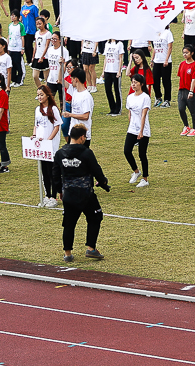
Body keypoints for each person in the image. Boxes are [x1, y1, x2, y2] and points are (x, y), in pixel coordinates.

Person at [53, 125, 111, 262]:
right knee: (95, 218)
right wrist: (103, 183)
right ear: (81, 137)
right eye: (85, 136)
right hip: (86, 194)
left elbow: (55, 174)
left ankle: (67, 253)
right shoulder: (86, 153)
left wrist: (59, 191)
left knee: (68, 223)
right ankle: (91, 248)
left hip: (68, 194)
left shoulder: (60, 153)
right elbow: (97, 170)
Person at [34, 85, 63, 208]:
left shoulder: (53, 109)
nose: (40, 97)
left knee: (52, 172)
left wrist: (49, 139)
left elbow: (57, 126)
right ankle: (47, 195)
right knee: (44, 171)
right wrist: (34, 136)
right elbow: (36, 125)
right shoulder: (37, 110)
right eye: (38, 95)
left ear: (47, 95)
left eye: (42, 95)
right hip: (40, 146)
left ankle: (53, 196)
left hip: (50, 147)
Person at [123, 73, 151, 188]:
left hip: (143, 130)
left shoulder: (145, 97)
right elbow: (130, 113)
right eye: (132, 82)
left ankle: (145, 178)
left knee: (142, 154)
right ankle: (136, 171)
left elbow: (143, 116)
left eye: (136, 82)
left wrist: (141, 131)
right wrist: (131, 126)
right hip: (132, 129)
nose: (133, 85)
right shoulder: (130, 97)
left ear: (141, 84)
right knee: (127, 151)